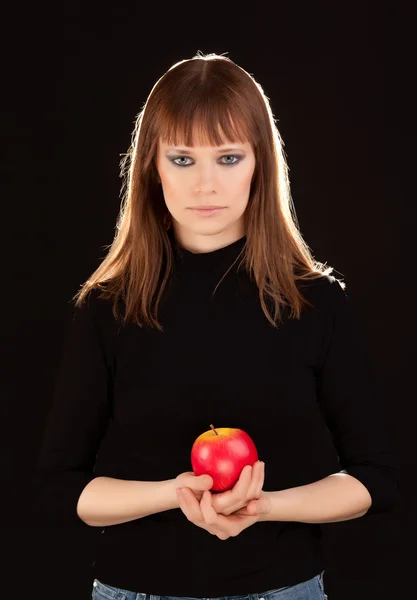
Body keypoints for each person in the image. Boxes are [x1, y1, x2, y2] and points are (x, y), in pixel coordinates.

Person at [32, 51, 399, 600]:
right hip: (135, 591)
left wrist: (268, 506)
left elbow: (377, 477)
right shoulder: (109, 307)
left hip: (284, 591)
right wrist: (173, 493)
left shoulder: (316, 304)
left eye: (228, 158)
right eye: (183, 160)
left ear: (260, 165)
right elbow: (62, 490)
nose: (206, 184)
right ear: (152, 169)